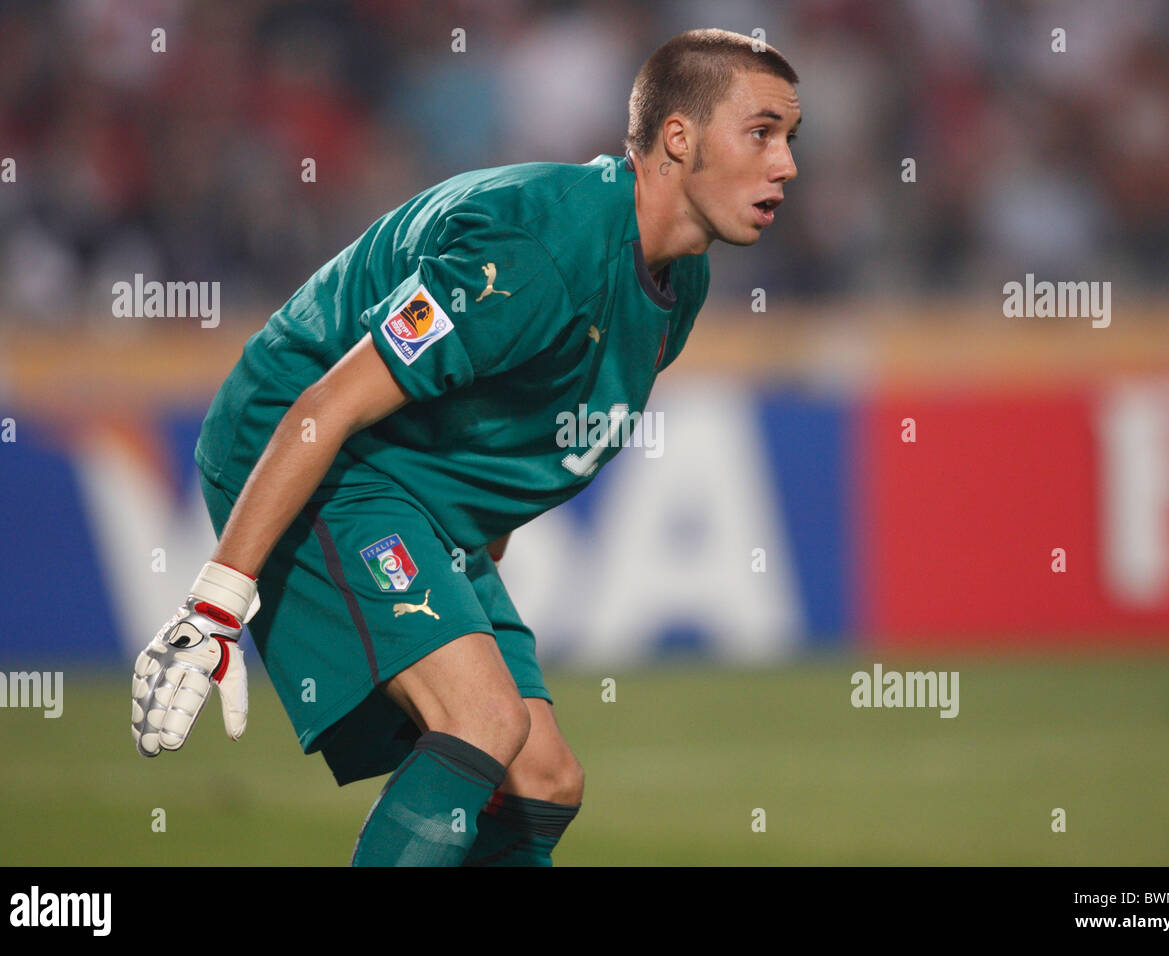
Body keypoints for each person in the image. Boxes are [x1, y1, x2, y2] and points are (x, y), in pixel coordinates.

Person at [129, 27, 800, 866]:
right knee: (481, 719)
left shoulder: (679, 281)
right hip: (318, 450)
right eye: (762, 132)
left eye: (790, 139)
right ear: (679, 138)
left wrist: (456, 596)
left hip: (410, 481)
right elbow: (327, 402)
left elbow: (509, 441)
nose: (787, 165)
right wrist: (214, 609)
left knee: (543, 777)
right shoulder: (528, 253)